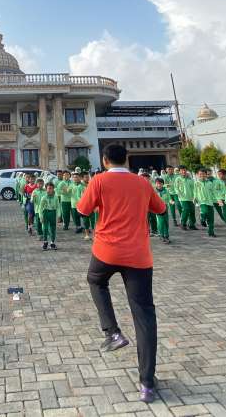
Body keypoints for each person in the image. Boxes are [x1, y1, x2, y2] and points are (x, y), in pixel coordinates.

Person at [77, 144, 166, 404]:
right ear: (126, 159)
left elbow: (82, 210)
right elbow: (160, 209)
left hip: (107, 251)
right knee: (144, 315)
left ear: (104, 160)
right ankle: (147, 384)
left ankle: (112, 332)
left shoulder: (99, 180)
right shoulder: (142, 183)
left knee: (95, 280)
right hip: (138, 255)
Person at [194, 169, 217, 237]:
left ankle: (211, 232)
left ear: (206, 175)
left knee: (211, 218)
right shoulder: (196, 183)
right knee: (204, 211)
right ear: (198, 175)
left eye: (203, 174)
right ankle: (202, 219)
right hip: (202, 201)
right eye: (200, 174)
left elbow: (213, 192)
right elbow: (195, 192)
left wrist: (217, 200)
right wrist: (195, 198)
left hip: (210, 202)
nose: (202, 175)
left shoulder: (210, 183)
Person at [174, 166, 197, 230]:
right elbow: (176, 188)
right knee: (186, 210)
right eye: (182, 170)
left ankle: (192, 224)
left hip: (191, 198)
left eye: (184, 170)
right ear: (179, 171)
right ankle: (183, 224)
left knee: (192, 211)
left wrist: (195, 196)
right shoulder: (178, 179)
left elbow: (194, 188)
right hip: (183, 198)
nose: (183, 171)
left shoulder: (190, 179)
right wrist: (179, 193)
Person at [40, 182, 59, 250]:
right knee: (45, 228)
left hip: (53, 213)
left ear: (53, 189)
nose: (49, 190)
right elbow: (40, 208)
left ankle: (52, 243)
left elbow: (58, 207)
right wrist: (41, 216)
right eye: (48, 188)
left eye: (51, 188)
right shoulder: (44, 197)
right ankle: (45, 242)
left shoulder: (56, 197)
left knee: (53, 228)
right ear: (46, 189)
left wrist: (59, 216)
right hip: (46, 213)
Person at [153, 178, 172, 243]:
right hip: (158, 207)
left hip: (165, 207)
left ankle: (166, 235)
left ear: (163, 184)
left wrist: (171, 201)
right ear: (155, 184)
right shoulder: (154, 191)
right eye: (158, 183)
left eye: (160, 183)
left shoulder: (166, 190)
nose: (159, 185)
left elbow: (169, 198)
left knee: (166, 221)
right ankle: (161, 235)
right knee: (161, 222)